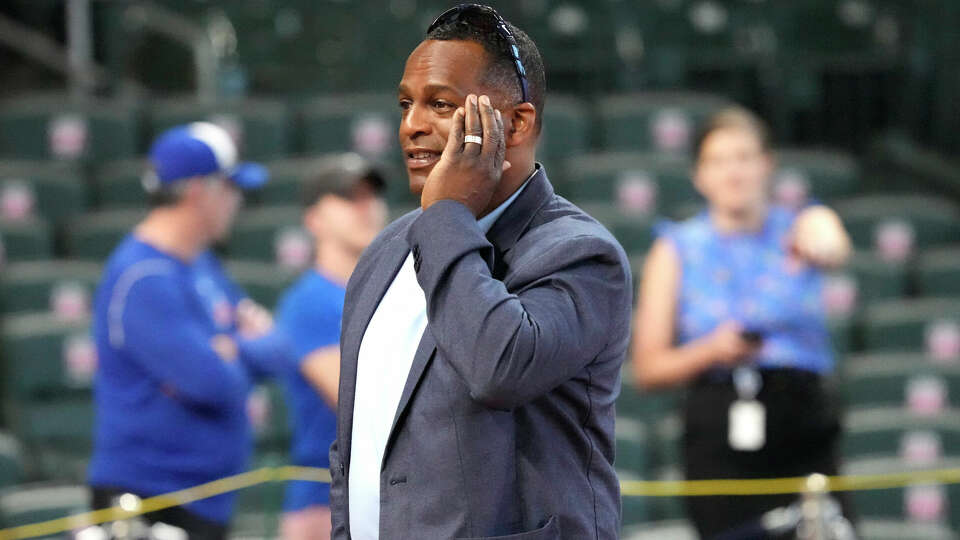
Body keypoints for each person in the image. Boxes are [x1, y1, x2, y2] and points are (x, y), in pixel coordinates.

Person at [328, 5, 633, 539]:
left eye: (441, 104)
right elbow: (353, 445)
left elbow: (498, 368)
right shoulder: (384, 251)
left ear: (517, 123)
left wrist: (447, 214)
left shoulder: (581, 254)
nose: (412, 125)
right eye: (406, 104)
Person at [631, 107, 853, 539]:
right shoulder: (675, 249)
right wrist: (714, 350)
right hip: (720, 442)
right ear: (699, 175)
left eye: (744, 157)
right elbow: (649, 369)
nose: (733, 172)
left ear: (767, 164)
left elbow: (831, 242)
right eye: (719, 160)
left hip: (805, 430)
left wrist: (825, 237)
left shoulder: (802, 224)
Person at [88, 122, 289, 540]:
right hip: (149, 504)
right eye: (231, 188)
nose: (238, 201)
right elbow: (215, 382)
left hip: (200, 503)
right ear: (201, 189)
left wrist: (227, 348)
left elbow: (278, 347)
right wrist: (235, 349)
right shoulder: (143, 278)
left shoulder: (199, 264)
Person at [274, 154, 387, 540]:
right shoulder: (310, 301)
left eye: (370, 195)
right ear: (314, 219)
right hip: (324, 502)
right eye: (348, 197)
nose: (364, 206)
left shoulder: (399, 292)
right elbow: (359, 402)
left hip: (382, 495)